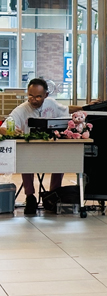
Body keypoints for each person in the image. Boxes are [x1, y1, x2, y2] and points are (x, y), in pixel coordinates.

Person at [4, 79, 70, 214]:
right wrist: (9, 130)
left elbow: (67, 113)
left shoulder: (51, 103)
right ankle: (30, 196)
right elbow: (4, 126)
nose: (33, 100)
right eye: (30, 96)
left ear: (46, 95)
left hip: (52, 150)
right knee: (25, 161)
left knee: (62, 159)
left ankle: (53, 194)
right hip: (30, 152)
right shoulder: (22, 109)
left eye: (38, 97)